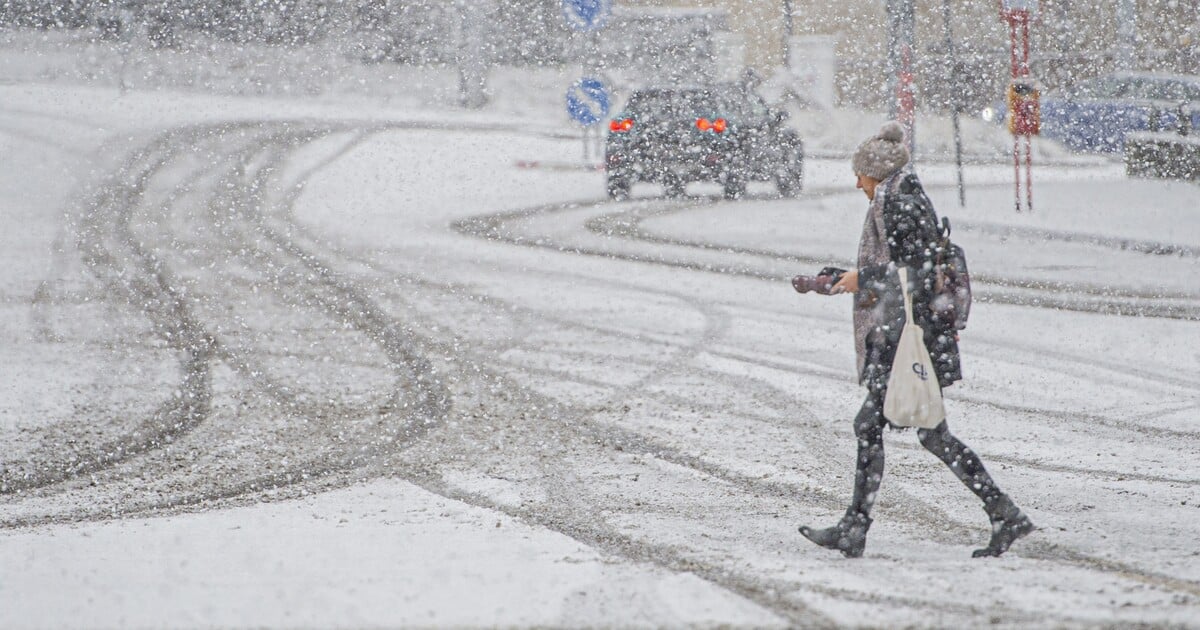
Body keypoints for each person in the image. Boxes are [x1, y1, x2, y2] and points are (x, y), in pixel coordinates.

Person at [796, 121, 1033, 558]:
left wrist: (862, 277)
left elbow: (916, 274)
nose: (856, 184)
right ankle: (1002, 513)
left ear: (877, 173)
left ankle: (858, 527)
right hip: (909, 334)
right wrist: (846, 279)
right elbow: (902, 272)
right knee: (925, 433)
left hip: (912, 339)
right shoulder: (899, 197)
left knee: (882, 428)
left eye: (860, 175)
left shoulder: (901, 202)